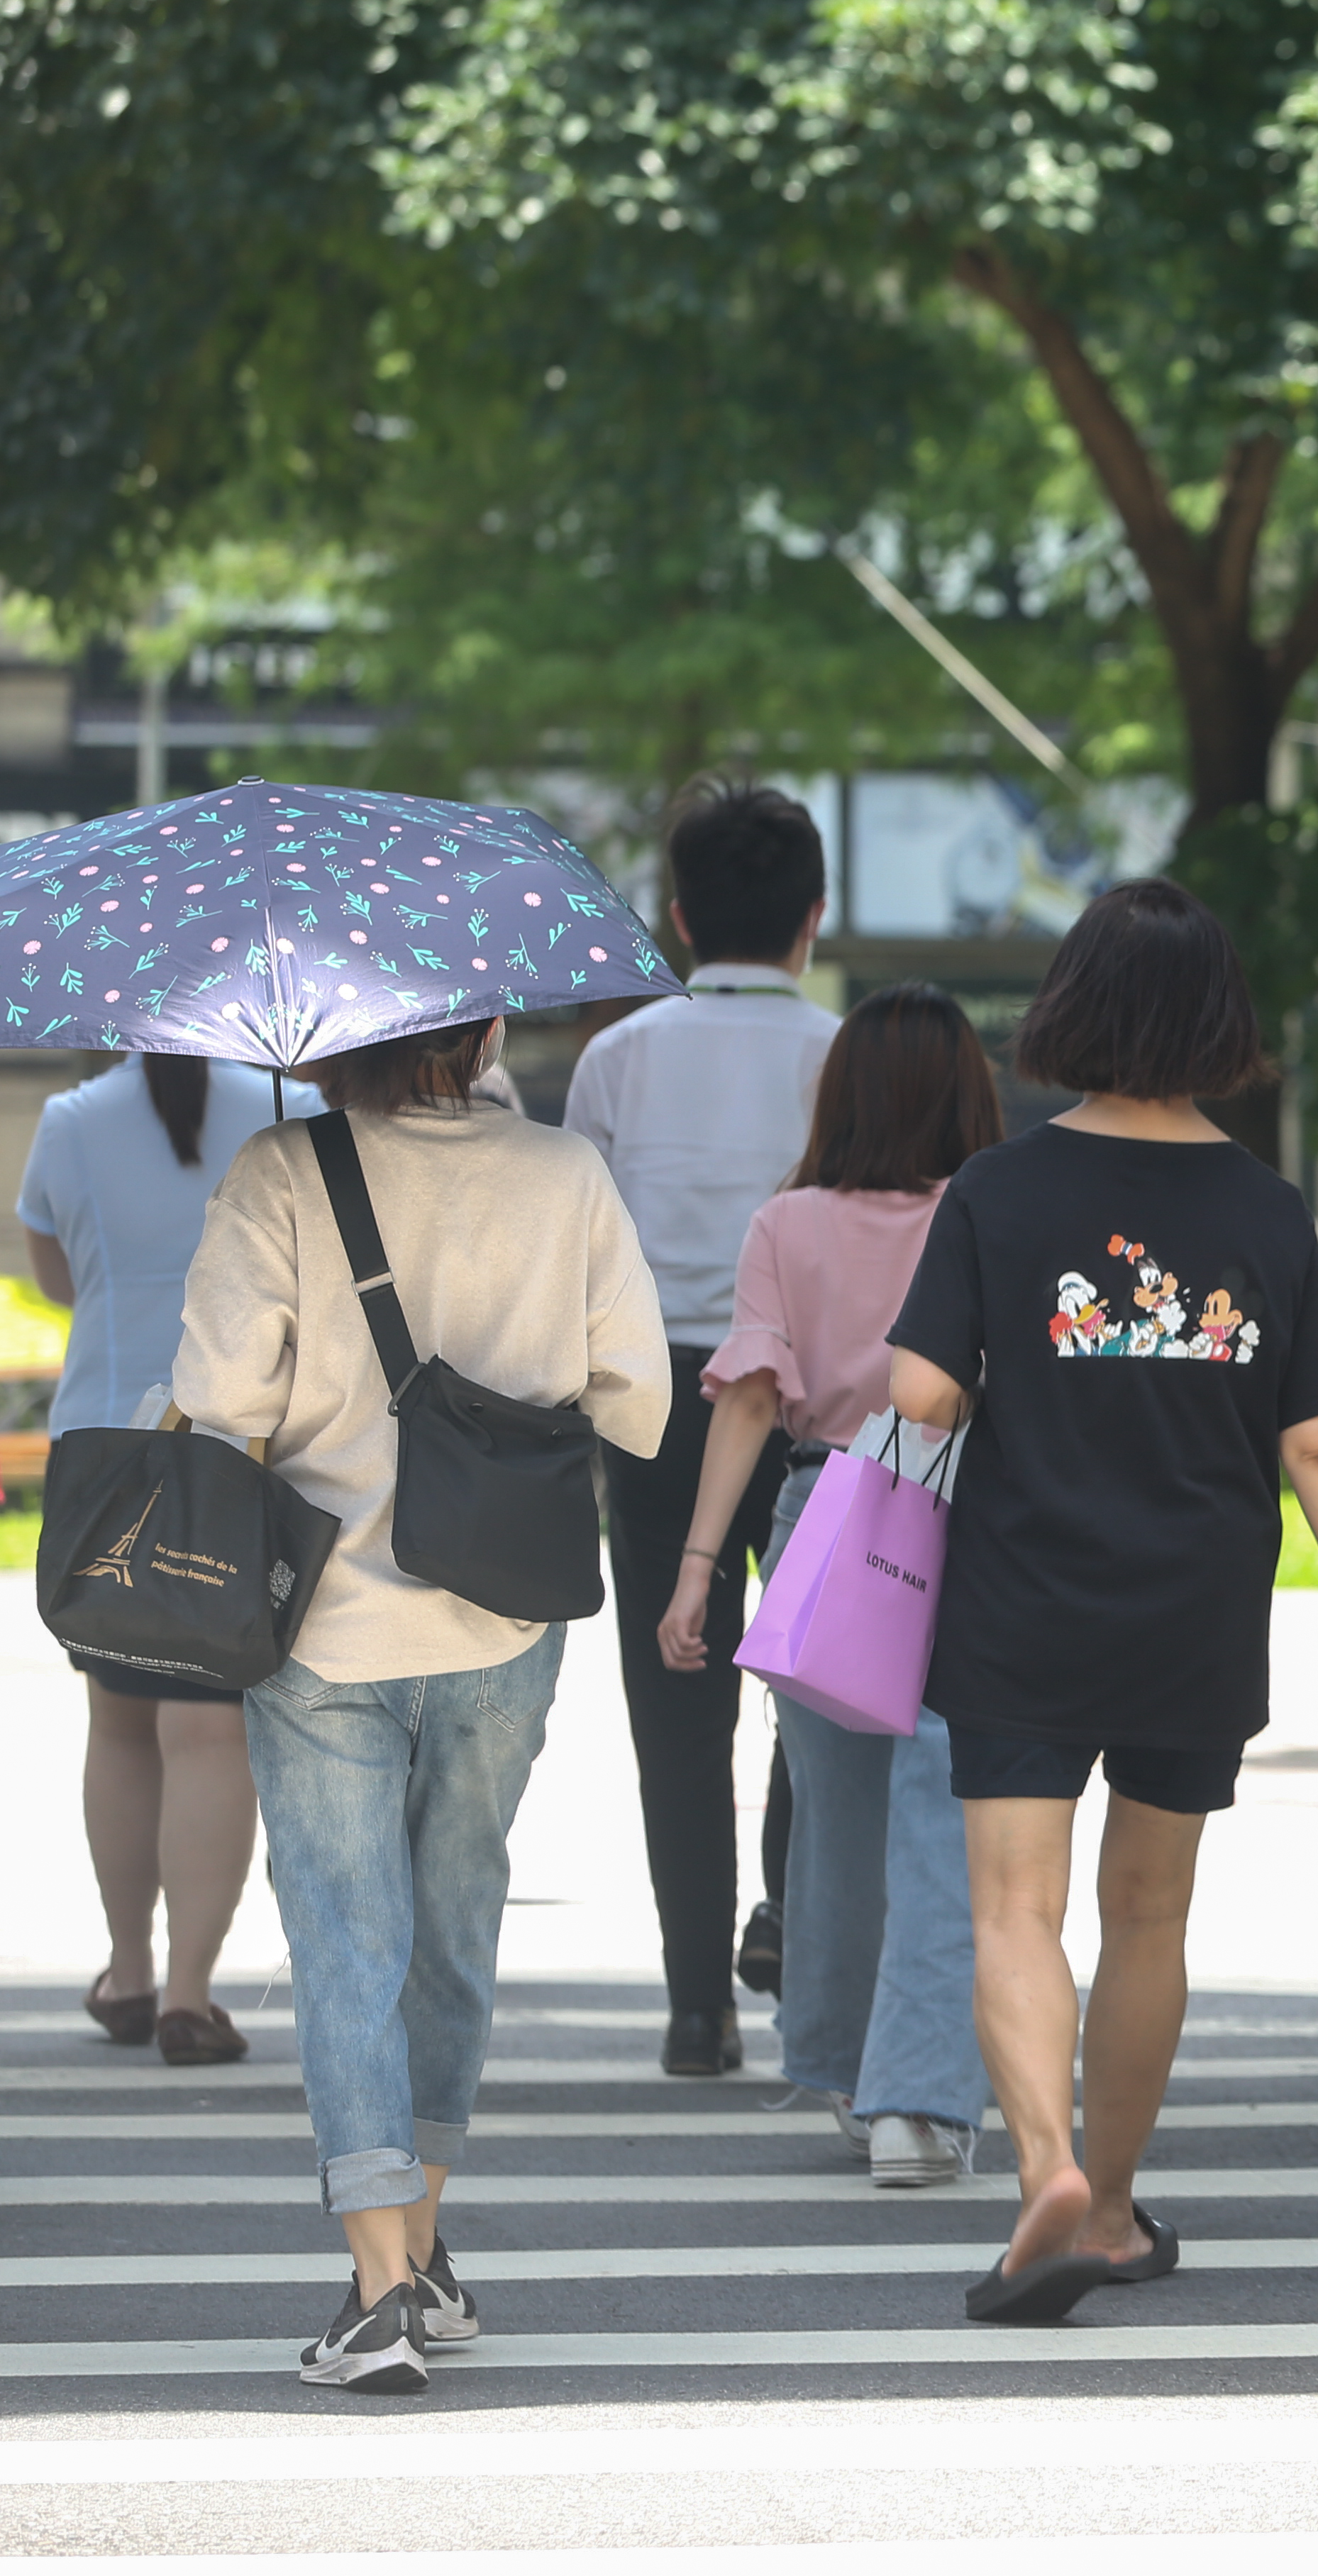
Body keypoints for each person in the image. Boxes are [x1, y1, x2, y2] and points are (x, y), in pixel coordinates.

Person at [881, 879, 1318, 2324]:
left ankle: (1043, 2169)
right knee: (1150, 1919)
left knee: (1015, 1908)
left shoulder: (1001, 1189)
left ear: (1075, 1010)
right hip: (1196, 1607)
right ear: (1219, 1025)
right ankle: (1109, 2209)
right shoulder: (1265, 1204)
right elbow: (1315, 1441)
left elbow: (921, 1393)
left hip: (1023, 1600)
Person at [177, 1012, 670, 2392]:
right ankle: (425, 2247)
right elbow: (639, 1406)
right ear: (492, 1028)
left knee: (347, 1943)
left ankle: (383, 2283)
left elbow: (216, 1398)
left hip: (323, 1616)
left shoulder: (284, 1168)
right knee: (453, 1931)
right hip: (507, 1614)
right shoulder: (566, 1172)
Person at [657, 984, 1005, 2187]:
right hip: (970, 1510)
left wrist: (699, 1568)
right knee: (948, 1818)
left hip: (824, 1515)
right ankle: (924, 2104)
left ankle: (856, 2078)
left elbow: (751, 1397)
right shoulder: (993, 1207)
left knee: (838, 1826)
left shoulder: (785, 1224)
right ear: (971, 1091)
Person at [566, 786, 840, 2077]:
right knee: (822, 1673)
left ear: (677, 915)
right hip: (817, 1403)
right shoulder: (846, 1054)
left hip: (656, 1396)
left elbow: (582, 1246)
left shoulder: (618, 1059)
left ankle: (696, 2012)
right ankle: (783, 1906)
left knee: (674, 1703)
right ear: (814, 917)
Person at [25, 1054, 317, 2066]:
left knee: (118, 1726)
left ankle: (128, 1968)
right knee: (210, 1733)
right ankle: (191, 1994)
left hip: (103, 1449)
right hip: (237, 1455)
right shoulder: (295, 1116)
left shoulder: (68, 1120)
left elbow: (53, 1271)